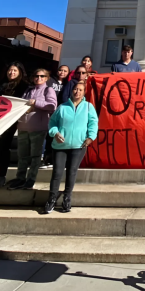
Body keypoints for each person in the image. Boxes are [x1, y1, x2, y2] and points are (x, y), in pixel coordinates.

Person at [44, 81, 98, 214]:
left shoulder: (88, 107)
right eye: (75, 89)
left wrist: (91, 137)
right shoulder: (62, 107)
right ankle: (51, 198)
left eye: (80, 90)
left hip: (79, 145)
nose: (77, 92)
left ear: (84, 92)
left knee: (71, 172)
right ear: (71, 91)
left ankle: (67, 197)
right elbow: (52, 123)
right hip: (60, 146)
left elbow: (93, 123)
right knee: (57, 172)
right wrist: (55, 133)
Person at [7, 69, 58, 190]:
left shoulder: (48, 90)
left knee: (35, 156)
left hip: (38, 128)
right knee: (22, 155)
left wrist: (36, 103)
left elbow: (52, 105)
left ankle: (30, 179)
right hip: (23, 126)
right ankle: (20, 178)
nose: (38, 78)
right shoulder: (28, 89)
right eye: (36, 75)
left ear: (47, 78)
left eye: (42, 76)